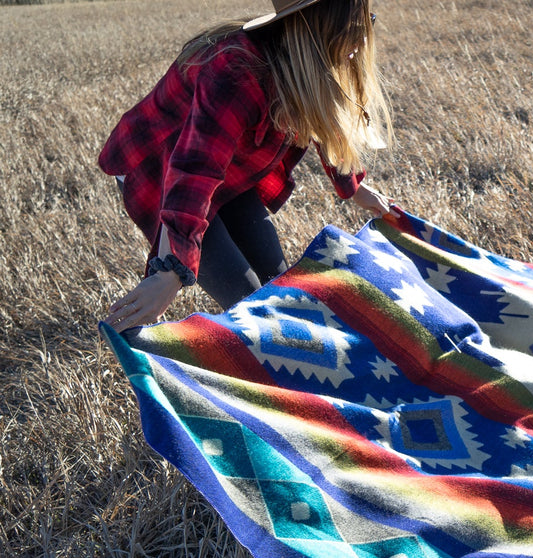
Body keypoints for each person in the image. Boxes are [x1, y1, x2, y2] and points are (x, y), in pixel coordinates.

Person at [100, 0, 393, 332]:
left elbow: (323, 121)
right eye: (356, 25)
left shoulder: (303, 63)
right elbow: (194, 171)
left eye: (368, 18)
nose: (364, 35)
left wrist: (353, 187)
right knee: (250, 304)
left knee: (278, 284)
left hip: (226, 174)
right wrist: (171, 269)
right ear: (317, 30)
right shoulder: (236, 71)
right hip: (161, 171)